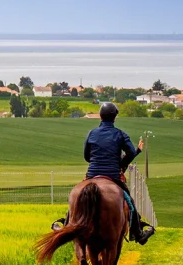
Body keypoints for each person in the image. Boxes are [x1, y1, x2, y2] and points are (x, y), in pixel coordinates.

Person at [51, 101, 155, 244]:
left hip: (92, 175)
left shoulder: (92, 133)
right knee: (130, 202)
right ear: (114, 118)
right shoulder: (120, 134)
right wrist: (122, 163)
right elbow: (130, 153)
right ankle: (138, 233)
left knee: (77, 199)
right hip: (113, 176)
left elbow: (87, 156)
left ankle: (67, 224)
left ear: (100, 116)